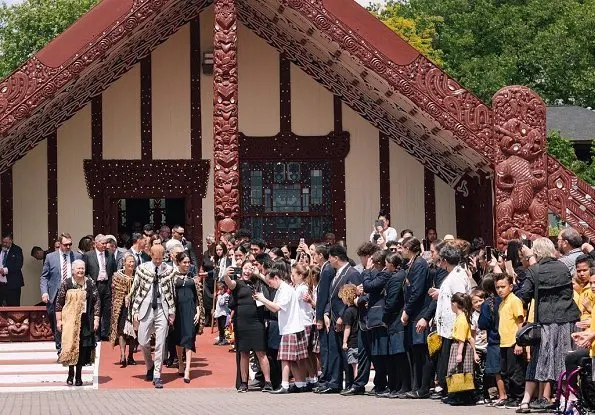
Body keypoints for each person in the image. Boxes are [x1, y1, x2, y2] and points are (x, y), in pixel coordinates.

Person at [516, 237, 580, 411]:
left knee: (543, 358)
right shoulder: (563, 267)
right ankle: (567, 400)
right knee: (564, 358)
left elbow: (524, 295)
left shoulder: (534, 270)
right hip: (569, 317)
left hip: (546, 320)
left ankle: (532, 400)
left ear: (535, 252)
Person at [128, 244, 176, 389]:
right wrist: (134, 310)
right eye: (155, 258)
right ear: (151, 255)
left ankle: (157, 375)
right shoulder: (142, 269)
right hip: (145, 308)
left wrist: (172, 312)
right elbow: (135, 289)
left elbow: (172, 292)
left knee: (161, 343)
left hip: (163, 308)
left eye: (160, 259)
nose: (158, 261)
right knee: (142, 341)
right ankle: (149, 365)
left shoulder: (169, 271)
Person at [255, 267, 308, 394]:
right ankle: (299, 384)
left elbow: (277, 307)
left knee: (285, 358)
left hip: (291, 327)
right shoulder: (281, 289)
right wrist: (263, 300)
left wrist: (262, 299)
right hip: (289, 327)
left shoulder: (285, 290)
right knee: (292, 359)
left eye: (270, 282)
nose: (270, 285)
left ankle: (285, 385)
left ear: (276, 278)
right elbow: (273, 308)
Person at [317, 245, 362, 394]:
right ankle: (334, 382)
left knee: (346, 353)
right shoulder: (336, 274)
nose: (329, 260)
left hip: (345, 319)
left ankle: (350, 383)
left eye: (330, 257)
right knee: (334, 352)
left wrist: (343, 316)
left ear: (336, 258)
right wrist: (326, 313)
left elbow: (352, 297)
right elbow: (331, 297)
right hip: (333, 318)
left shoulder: (352, 273)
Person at [223, 259, 272, 392]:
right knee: (244, 353)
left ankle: (268, 382)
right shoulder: (237, 284)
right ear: (241, 269)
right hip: (241, 322)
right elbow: (229, 283)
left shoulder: (258, 283)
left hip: (257, 321)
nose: (247, 271)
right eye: (245, 268)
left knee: (261, 352)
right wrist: (225, 274)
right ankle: (244, 382)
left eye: (250, 268)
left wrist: (259, 274)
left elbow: (270, 284)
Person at [55, 259, 99, 387]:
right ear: (73, 270)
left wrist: (96, 318)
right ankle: (70, 373)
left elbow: (96, 301)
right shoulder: (67, 283)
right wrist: (59, 321)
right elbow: (59, 303)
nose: (81, 271)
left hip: (86, 320)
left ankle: (79, 376)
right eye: (78, 269)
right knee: (71, 347)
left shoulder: (90, 283)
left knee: (82, 348)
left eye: (82, 268)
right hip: (70, 321)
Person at [434, 243, 471, 397]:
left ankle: (454, 390)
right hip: (447, 325)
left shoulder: (457, 275)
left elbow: (460, 297)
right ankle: (448, 388)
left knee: (452, 360)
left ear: (445, 260)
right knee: (445, 358)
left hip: (454, 325)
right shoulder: (453, 274)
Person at [40, 232, 82, 354]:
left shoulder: (77, 257)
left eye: (70, 244)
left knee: (72, 322)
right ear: (60, 244)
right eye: (65, 245)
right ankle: (60, 349)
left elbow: (83, 274)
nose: (68, 247)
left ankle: (69, 349)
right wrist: (44, 292)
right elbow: (44, 277)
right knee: (57, 324)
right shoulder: (50, 257)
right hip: (55, 295)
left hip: (73, 294)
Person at [494, 273, 525, 409]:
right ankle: (510, 396)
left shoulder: (514, 300)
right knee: (506, 371)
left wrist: (519, 342)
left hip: (513, 342)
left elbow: (520, 322)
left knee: (515, 372)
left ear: (511, 287)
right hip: (504, 342)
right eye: (497, 287)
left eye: (503, 286)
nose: (500, 290)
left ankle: (518, 397)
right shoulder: (502, 303)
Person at [173, 251, 205, 383]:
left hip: (191, 310)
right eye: (184, 262)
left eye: (188, 262)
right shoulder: (172, 277)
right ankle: (180, 362)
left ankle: (187, 370)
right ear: (178, 263)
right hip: (177, 311)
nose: (187, 265)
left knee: (189, 339)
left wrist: (198, 310)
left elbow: (198, 296)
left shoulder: (193, 276)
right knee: (179, 338)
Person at [83, 234, 117, 340]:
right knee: (95, 308)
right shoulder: (88, 255)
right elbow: (85, 272)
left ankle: (105, 333)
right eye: (102, 243)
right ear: (95, 244)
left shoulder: (110, 255)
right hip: (95, 285)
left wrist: (113, 282)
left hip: (107, 285)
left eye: (106, 243)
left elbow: (114, 270)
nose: (105, 245)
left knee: (107, 309)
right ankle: (95, 333)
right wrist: (90, 283)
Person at [445, 292, 476, 406]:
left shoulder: (462, 319)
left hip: (459, 347)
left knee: (459, 371)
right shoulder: (463, 317)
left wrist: (459, 353)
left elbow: (462, 339)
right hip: (461, 346)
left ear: (454, 304)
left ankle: (460, 397)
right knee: (461, 371)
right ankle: (458, 396)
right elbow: (471, 338)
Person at [109, 252, 136, 367]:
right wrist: (124, 297)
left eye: (133, 261)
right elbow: (116, 293)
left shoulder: (138, 276)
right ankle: (122, 354)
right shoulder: (117, 277)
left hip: (134, 307)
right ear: (124, 263)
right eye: (129, 261)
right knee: (121, 331)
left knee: (134, 331)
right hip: (122, 307)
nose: (131, 264)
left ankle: (131, 355)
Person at [338, 283, 359, 388]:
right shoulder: (357, 309)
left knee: (354, 364)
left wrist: (344, 341)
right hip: (359, 339)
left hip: (352, 341)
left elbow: (347, 327)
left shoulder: (348, 311)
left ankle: (356, 384)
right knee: (359, 363)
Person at [471, 288, 489, 403]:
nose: (478, 304)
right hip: (478, 347)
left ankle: (488, 394)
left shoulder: (488, 313)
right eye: (475, 302)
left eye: (480, 300)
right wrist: (473, 352)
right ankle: (480, 395)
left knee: (488, 372)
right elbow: (472, 336)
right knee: (478, 373)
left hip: (488, 346)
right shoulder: (474, 316)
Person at [0, 234, 24, 306]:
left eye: (6, 242)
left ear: (11, 241)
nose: (4, 244)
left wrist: (5, 270)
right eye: (3, 242)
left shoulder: (17, 249)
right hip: (0, 284)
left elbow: (18, 264)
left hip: (12, 284)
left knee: (13, 305)